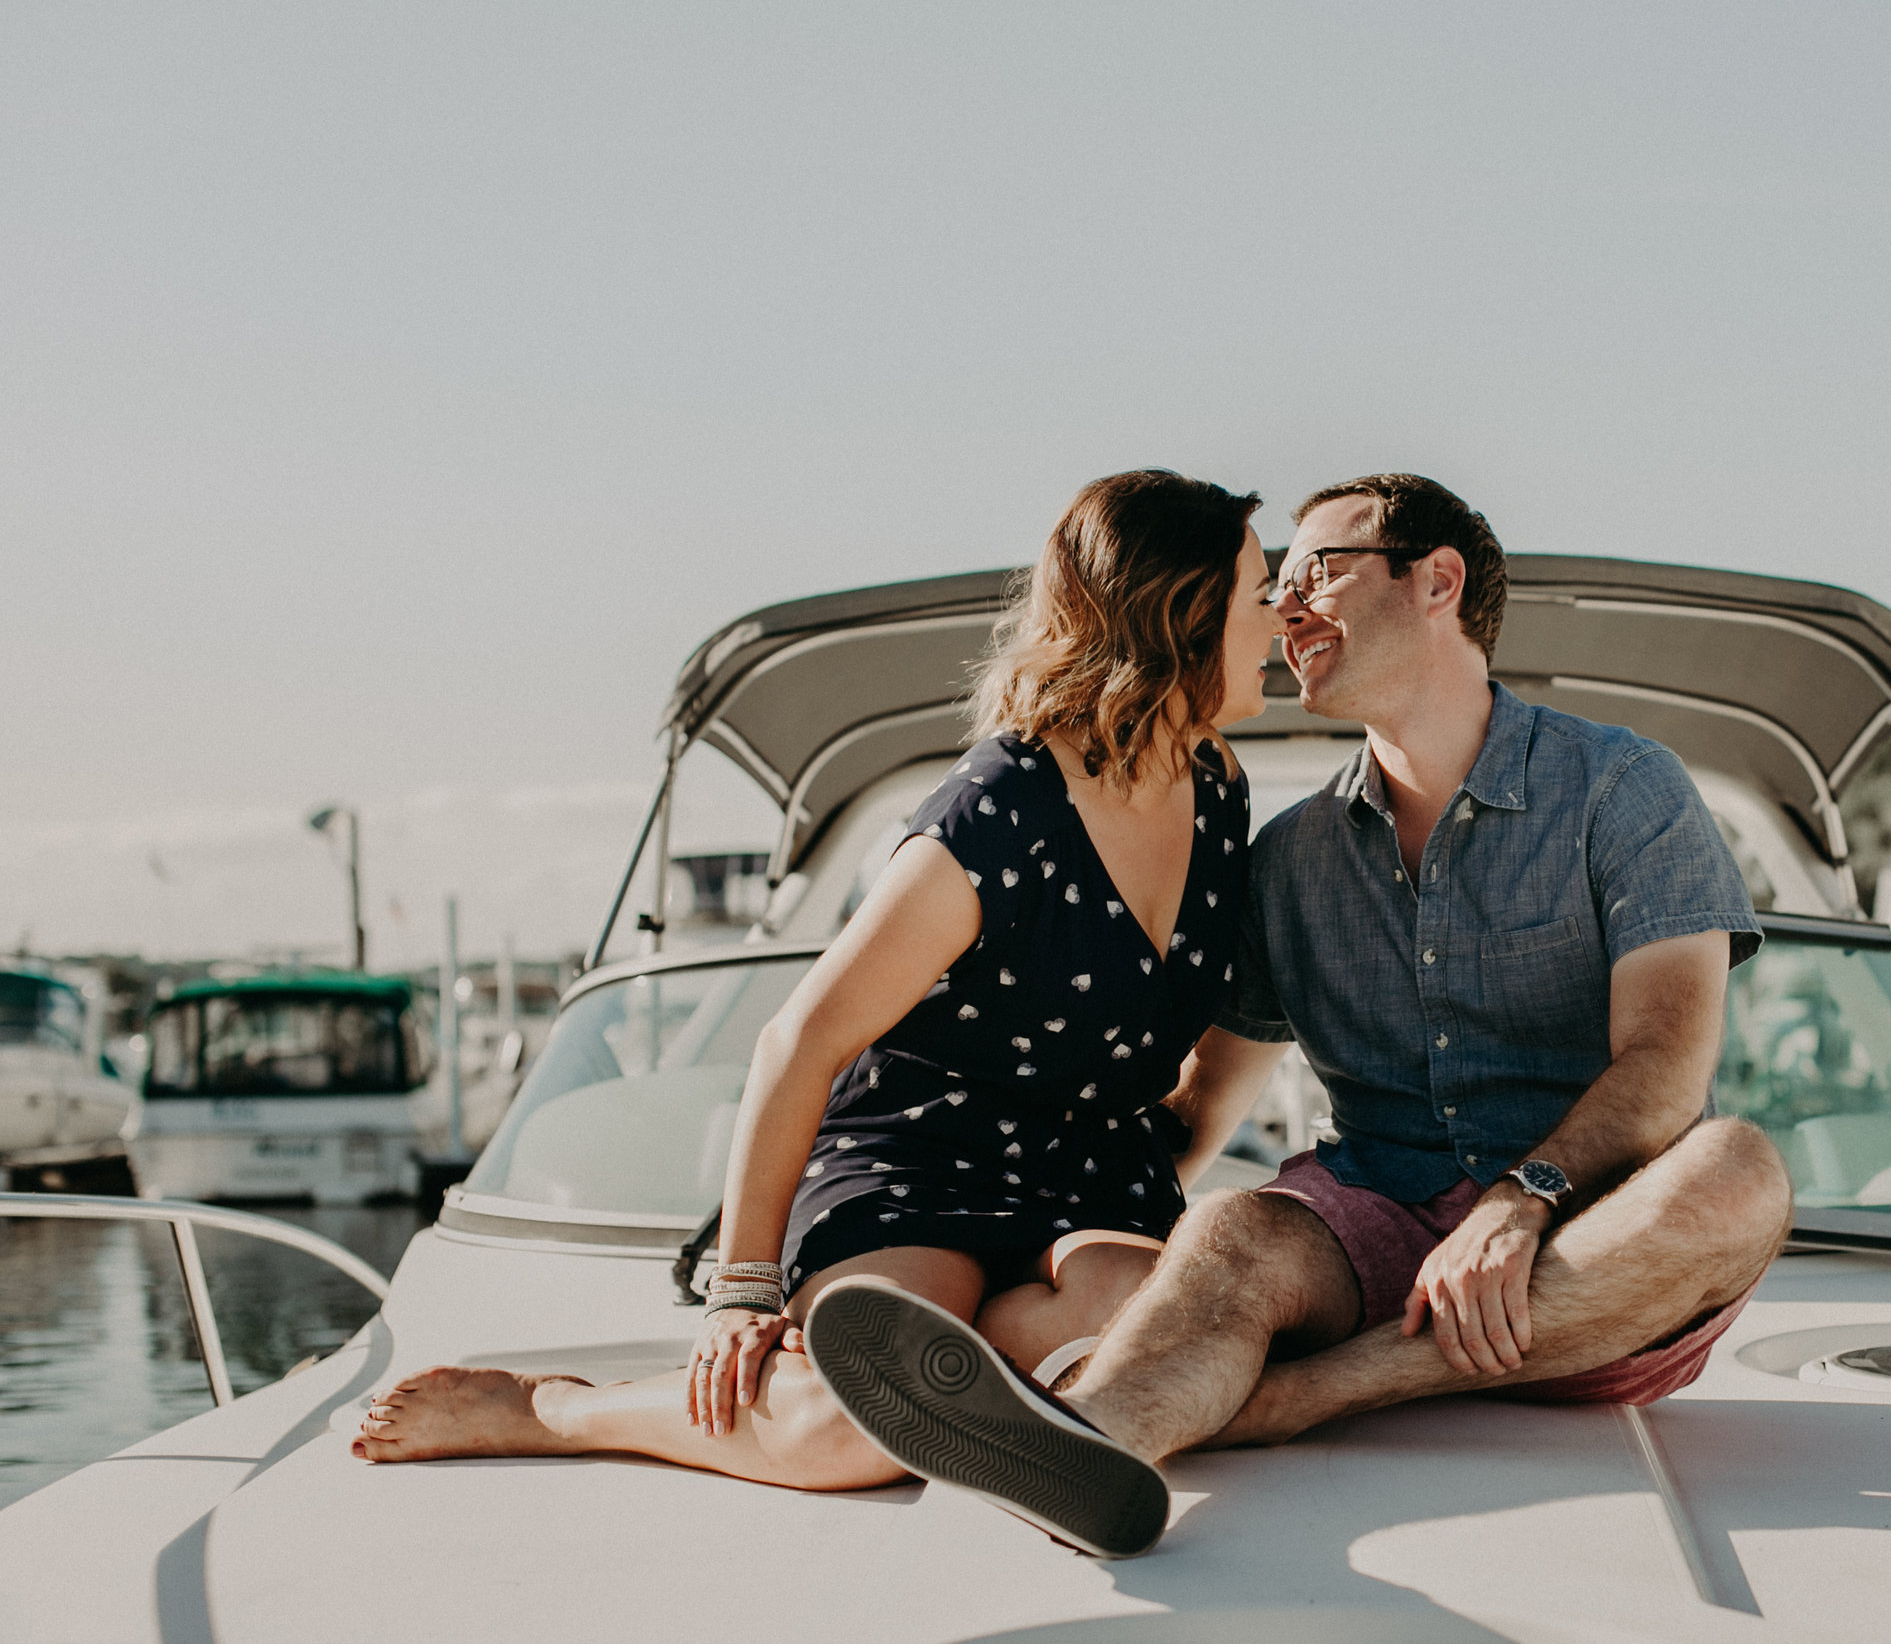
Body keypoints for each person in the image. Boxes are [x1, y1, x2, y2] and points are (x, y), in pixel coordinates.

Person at [810, 473, 1796, 1557]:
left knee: (1738, 1167)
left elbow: (1665, 1060)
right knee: (1232, 1227)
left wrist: (1520, 1201)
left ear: (1437, 580)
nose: (1284, 606)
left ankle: (1298, 1395)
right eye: (1271, 584)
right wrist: (998, 1226)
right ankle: (1082, 1440)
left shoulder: (1623, 789)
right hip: (1373, 1230)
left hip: (1594, 1257)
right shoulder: (1288, 859)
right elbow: (1192, 1109)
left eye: (1316, 570)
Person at [352, 468, 1283, 1491]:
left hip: (1091, 1174)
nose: (1278, 614)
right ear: (1179, 616)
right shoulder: (1003, 807)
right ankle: (564, 1408)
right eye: (1256, 591)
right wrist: (741, 1292)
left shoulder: (1217, 794)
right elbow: (800, 1040)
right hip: (920, 1165)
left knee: (1172, 1326)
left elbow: (1207, 1053)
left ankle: (987, 1346)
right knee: (848, 1427)